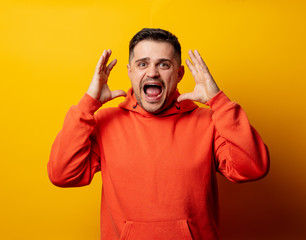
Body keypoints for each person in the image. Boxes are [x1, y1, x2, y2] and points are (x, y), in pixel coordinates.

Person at [48, 28, 269, 240]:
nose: (152, 72)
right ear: (130, 72)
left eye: (163, 64)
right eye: (142, 64)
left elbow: (252, 168)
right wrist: (88, 103)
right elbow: (63, 174)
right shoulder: (105, 122)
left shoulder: (209, 122)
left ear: (179, 73)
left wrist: (219, 102)